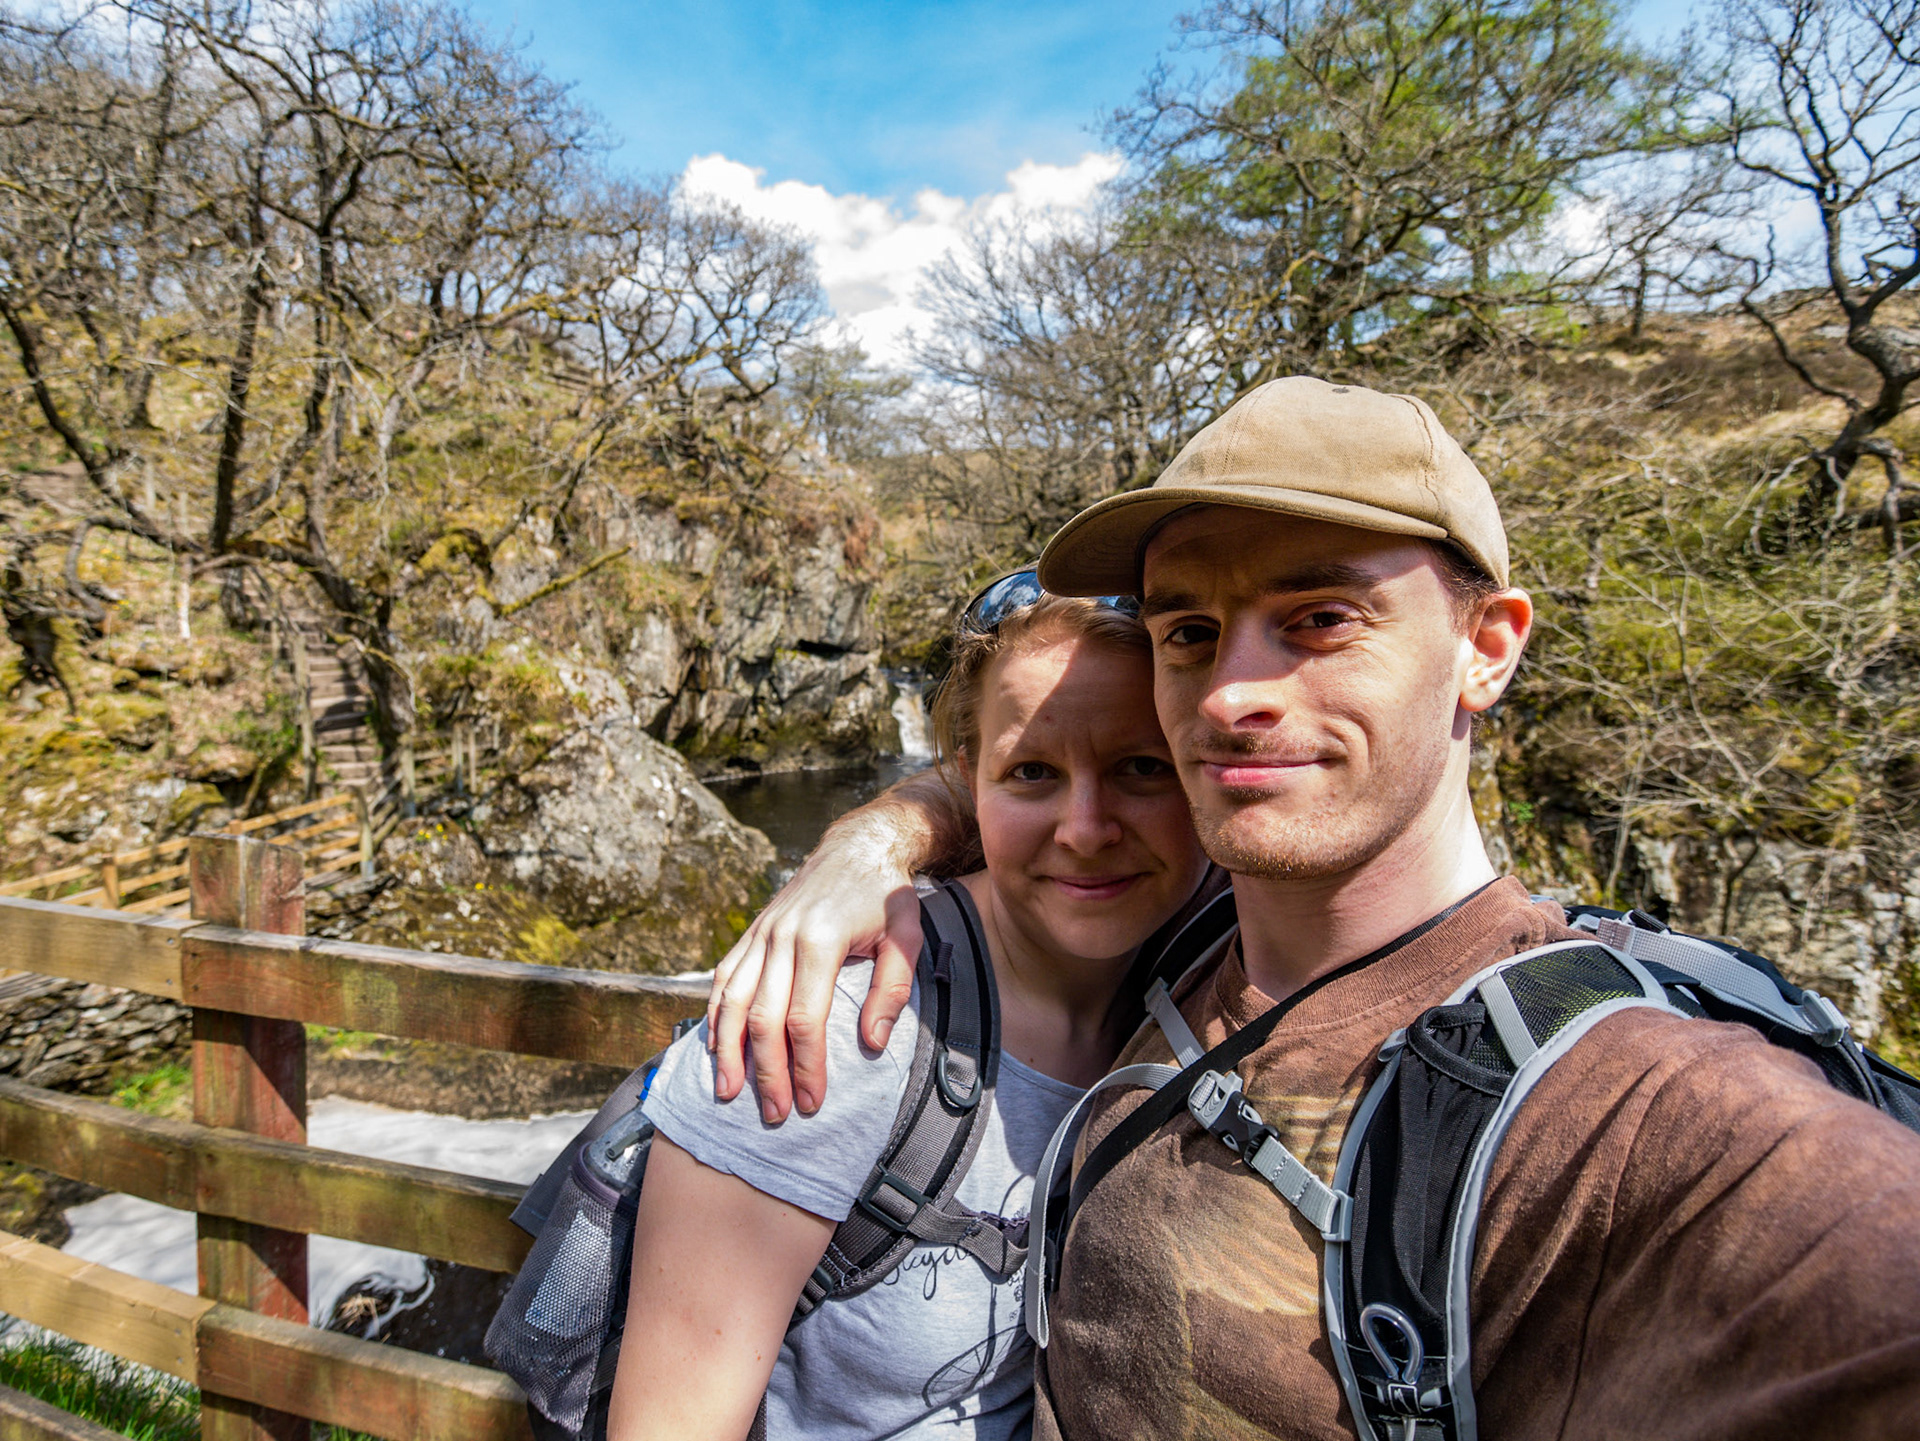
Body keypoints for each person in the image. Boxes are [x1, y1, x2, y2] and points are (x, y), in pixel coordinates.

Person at [707, 375, 1920, 1438]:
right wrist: (876, 840)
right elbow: (1029, 772)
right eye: (1190, 630)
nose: (1232, 696)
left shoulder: (1624, 1108)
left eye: (1320, 619)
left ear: (1487, 646)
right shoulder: (1168, 919)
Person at [605, 583, 1215, 1439]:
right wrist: (868, 843)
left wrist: (879, 836)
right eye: (1032, 772)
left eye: (1141, 767)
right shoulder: (827, 1029)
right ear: (972, 780)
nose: (1085, 827)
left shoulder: (1218, 950)